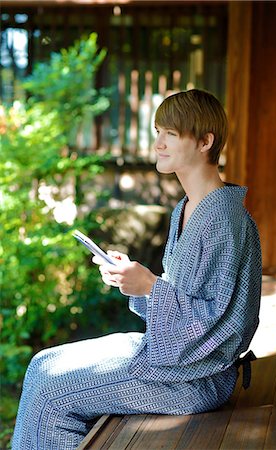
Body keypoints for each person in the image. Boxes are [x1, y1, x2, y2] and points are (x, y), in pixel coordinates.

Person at [12, 89, 262, 450]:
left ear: (206, 141)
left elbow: (213, 323)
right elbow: (183, 301)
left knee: (53, 396)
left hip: (193, 377)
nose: (158, 143)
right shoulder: (186, 209)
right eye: (157, 131)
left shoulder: (223, 219)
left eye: (171, 134)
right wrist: (133, 281)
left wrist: (150, 287)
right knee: (42, 364)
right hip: (172, 360)